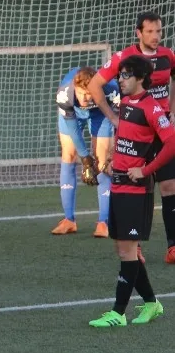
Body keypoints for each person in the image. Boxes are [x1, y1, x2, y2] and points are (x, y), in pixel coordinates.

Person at [88, 55, 170, 328]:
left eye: (125, 75)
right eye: (119, 75)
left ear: (140, 78)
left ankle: (118, 312)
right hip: (119, 184)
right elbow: (126, 136)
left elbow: (171, 142)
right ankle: (151, 303)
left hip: (136, 190)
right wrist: (114, 158)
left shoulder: (152, 108)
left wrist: (146, 171)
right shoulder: (125, 103)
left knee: (127, 250)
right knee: (124, 249)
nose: (120, 80)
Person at [89, 11, 175, 264]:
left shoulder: (168, 55)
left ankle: (172, 247)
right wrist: (113, 118)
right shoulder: (124, 58)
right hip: (135, 133)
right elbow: (94, 85)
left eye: (159, 31)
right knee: (136, 186)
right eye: (150, 31)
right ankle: (133, 246)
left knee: (170, 186)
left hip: (160, 128)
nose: (156, 36)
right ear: (138, 33)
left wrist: (172, 108)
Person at [51, 66, 119, 237]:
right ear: (75, 87)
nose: (85, 98)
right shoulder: (64, 94)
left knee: (102, 161)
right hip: (74, 112)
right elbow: (73, 130)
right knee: (68, 154)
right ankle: (69, 220)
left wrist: (112, 151)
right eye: (81, 93)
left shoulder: (111, 91)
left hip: (101, 111)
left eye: (89, 94)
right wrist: (85, 159)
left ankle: (104, 222)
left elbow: (118, 120)